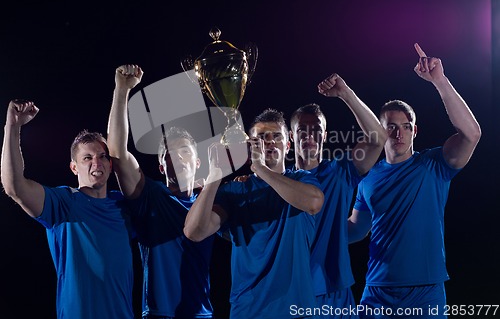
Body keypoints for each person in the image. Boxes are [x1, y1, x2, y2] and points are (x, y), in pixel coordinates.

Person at [348, 44, 481, 319]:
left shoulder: (433, 165)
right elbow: (356, 230)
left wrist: (440, 81)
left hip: (425, 293)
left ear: (415, 131)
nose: (399, 133)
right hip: (377, 293)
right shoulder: (366, 177)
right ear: (381, 132)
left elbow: (471, 134)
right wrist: (311, 224)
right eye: (391, 127)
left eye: (406, 126)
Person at [184, 108, 325, 319]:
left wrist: (260, 168)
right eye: (260, 138)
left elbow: (314, 203)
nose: (269, 142)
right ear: (250, 147)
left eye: (276, 137)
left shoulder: (302, 180)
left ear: (287, 146)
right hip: (248, 311)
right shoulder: (234, 190)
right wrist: (214, 175)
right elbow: (195, 232)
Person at [1, 100, 134, 319]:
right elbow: (14, 186)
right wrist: (13, 127)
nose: (96, 163)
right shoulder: (63, 202)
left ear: (111, 165)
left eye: (102, 157)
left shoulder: (124, 205)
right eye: (87, 158)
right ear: (74, 167)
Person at [107, 64, 214, 319]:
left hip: (202, 313)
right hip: (159, 314)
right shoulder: (151, 196)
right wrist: (122, 91)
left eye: (185, 151)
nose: (177, 157)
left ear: (198, 162)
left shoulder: (211, 200)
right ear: (161, 164)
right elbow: (118, 154)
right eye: (169, 153)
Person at [289, 73, 387, 318]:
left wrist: (346, 95)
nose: (309, 136)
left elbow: (378, 139)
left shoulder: (339, 172)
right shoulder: (280, 182)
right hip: (291, 293)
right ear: (291, 137)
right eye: (302, 130)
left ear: (325, 134)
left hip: (335, 295)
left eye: (316, 130)